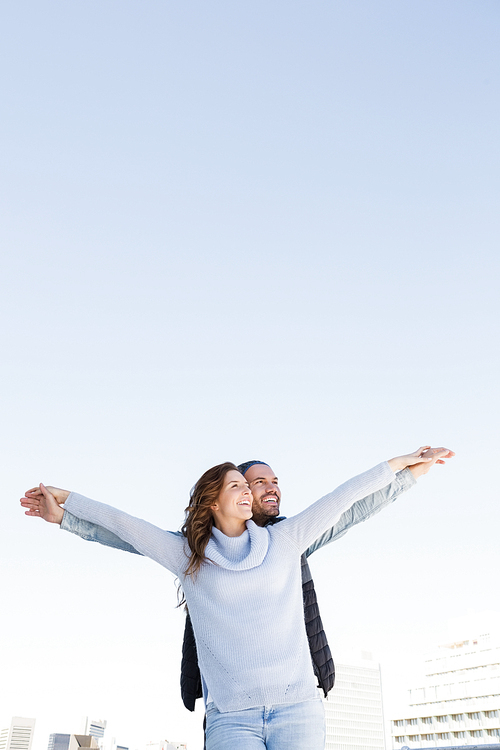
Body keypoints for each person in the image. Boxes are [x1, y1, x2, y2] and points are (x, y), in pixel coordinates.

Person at [21, 447, 453, 750]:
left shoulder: (287, 539)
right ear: (215, 499)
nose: (260, 490)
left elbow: (345, 503)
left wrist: (406, 467)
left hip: (297, 706)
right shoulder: (187, 554)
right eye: (247, 483)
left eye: (269, 482)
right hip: (231, 716)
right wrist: (65, 507)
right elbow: (125, 528)